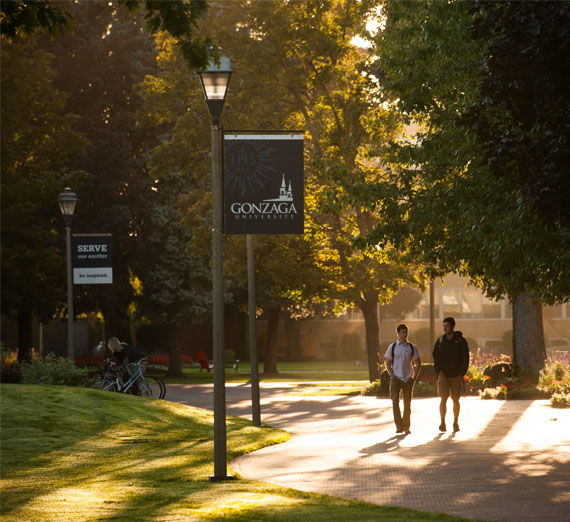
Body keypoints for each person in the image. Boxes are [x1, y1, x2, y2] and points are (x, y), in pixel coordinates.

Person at [433, 317, 470, 432]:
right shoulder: (440, 341)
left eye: (447, 326)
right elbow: (435, 356)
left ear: (453, 327)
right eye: (443, 326)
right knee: (443, 398)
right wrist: (438, 370)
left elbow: (465, 357)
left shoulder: (460, 341)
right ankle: (442, 422)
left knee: (455, 399)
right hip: (443, 373)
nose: (444, 328)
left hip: (456, 374)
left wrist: (461, 373)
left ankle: (455, 422)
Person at [384, 323, 421, 435]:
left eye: (406, 332)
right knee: (395, 402)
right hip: (396, 378)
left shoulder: (412, 347)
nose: (404, 334)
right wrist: (392, 375)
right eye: (402, 332)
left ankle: (406, 427)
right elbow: (387, 363)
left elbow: (418, 364)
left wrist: (413, 378)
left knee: (407, 404)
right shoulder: (393, 347)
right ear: (398, 333)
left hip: (407, 379)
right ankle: (399, 426)